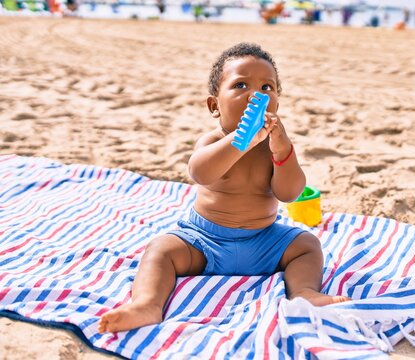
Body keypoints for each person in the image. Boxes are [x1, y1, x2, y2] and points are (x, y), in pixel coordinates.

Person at [98, 43, 349, 334]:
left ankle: (304, 293)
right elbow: (201, 172)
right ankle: (147, 304)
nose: (256, 95)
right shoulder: (213, 141)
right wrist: (240, 140)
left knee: (307, 245)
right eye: (241, 85)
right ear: (215, 105)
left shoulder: (274, 145)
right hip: (204, 241)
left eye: (267, 88)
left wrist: (283, 153)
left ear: (277, 103)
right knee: (161, 249)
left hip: (263, 241)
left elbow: (289, 193)